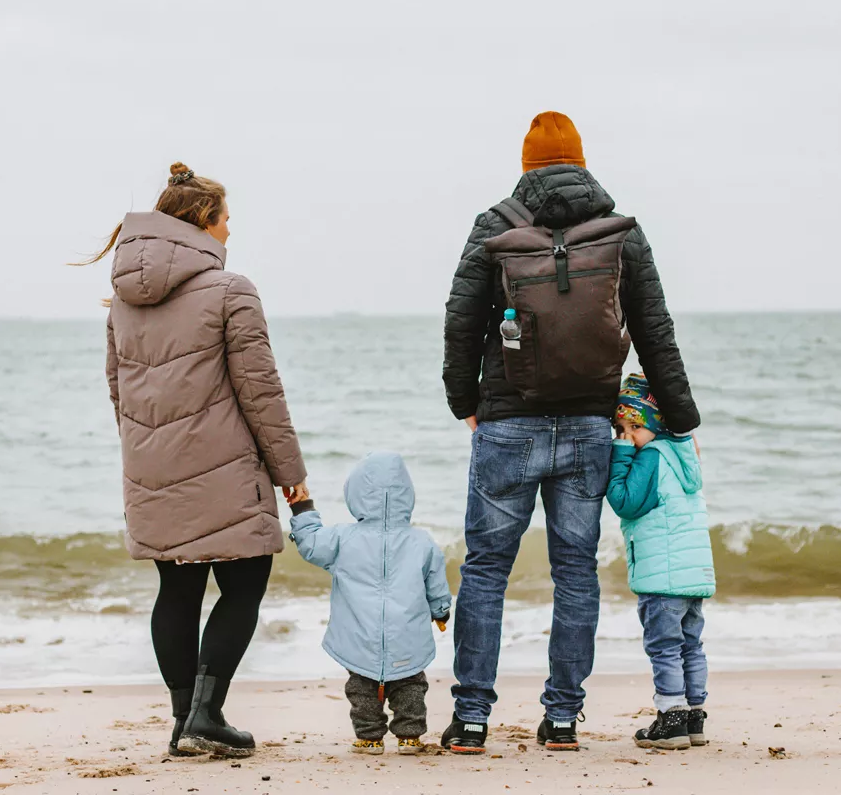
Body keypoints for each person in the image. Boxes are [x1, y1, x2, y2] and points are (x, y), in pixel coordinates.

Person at [440, 112, 701, 754]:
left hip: (506, 421)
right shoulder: (619, 234)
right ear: (582, 164)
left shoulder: (494, 226)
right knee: (576, 571)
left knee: (486, 570)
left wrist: (463, 402)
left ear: (527, 166)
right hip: (589, 423)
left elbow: (461, 320)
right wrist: (682, 418)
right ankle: (562, 719)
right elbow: (653, 329)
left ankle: (472, 719)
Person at [85, 163, 308, 758]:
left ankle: (185, 719)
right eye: (226, 219)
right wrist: (293, 478)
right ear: (202, 224)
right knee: (245, 580)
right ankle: (206, 714)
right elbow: (261, 392)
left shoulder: (123, 303)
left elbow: (118, 391)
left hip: (151, 465)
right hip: (227, 465)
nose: (231, 232)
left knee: (176, 589)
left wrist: (145, 455)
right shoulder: (232, 290)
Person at [288, 452, 452, 756]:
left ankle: (369, 737)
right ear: (407, 495)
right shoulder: (422, 541)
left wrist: (303, 506)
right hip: (408, 637)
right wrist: (441, 610)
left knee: (361, 687)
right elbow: (436, 583)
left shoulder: (342, 538)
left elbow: (310, 544)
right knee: (411, 686)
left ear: (356, 494)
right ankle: (409, 735)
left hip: (358, 636)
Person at [607, 373, 715, 751]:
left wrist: (619, 455)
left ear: (654, 423)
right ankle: (693, 716)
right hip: (691, 575)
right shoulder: (682, 454)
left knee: (664, 646)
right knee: (691, 644)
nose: (626, 435)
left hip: (662, 577)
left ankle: (670, 717)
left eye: (634, 426)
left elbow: (624, 500)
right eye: (619, 428)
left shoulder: (649, 458)